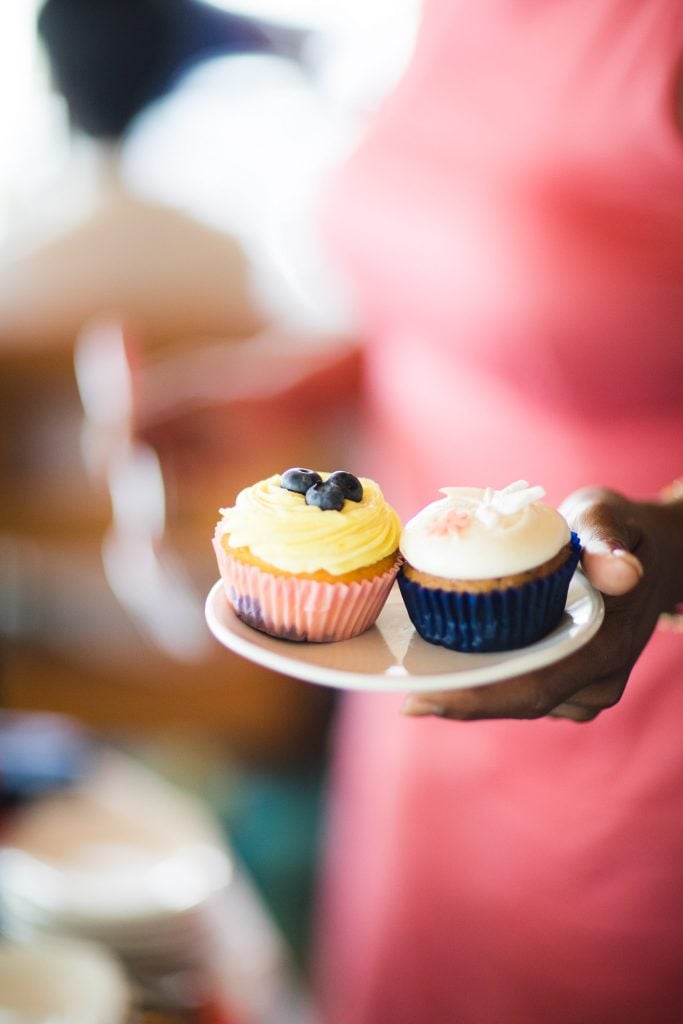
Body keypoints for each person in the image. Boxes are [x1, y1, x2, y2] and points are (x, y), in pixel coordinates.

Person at [104, 2, 682, 1021]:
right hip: (413, 682)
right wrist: (286, 388)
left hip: (627, 698)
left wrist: (670, 552)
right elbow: (479, 301)